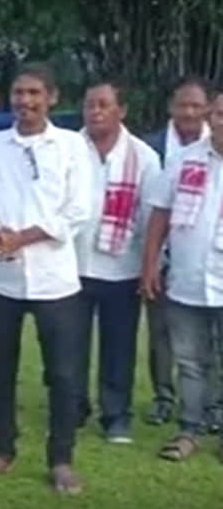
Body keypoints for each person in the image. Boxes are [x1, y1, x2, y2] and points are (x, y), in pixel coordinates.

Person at [0, 63, 91, 493]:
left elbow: (78, 210)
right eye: (19, 93)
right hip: (4, 278)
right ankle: (2, 450)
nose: (26, 101)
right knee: (0, 369)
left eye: (35, 92)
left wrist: (26, 236)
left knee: (63, 374)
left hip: (56, 279)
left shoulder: (72, 146)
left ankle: (61, 459)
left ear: (52, 97)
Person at [75, 80, 161, 443]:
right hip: (72, 266)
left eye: (104, 104)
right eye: (90, 104)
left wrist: (148, 267)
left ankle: (115, 417)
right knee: (69, 347)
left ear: (121, 111)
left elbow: (150, 218)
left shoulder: (143, 157)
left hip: (122, 268)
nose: (95, 111)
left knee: (119, 347)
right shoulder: (67, 149)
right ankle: (72, 409)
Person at [142, 89, 223, 463]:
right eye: (220, 114)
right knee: (189, 361)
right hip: (187, 281)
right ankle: (188, 430)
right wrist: (149, 265)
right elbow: (159, 213)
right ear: (211, 116)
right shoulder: (185, 160)